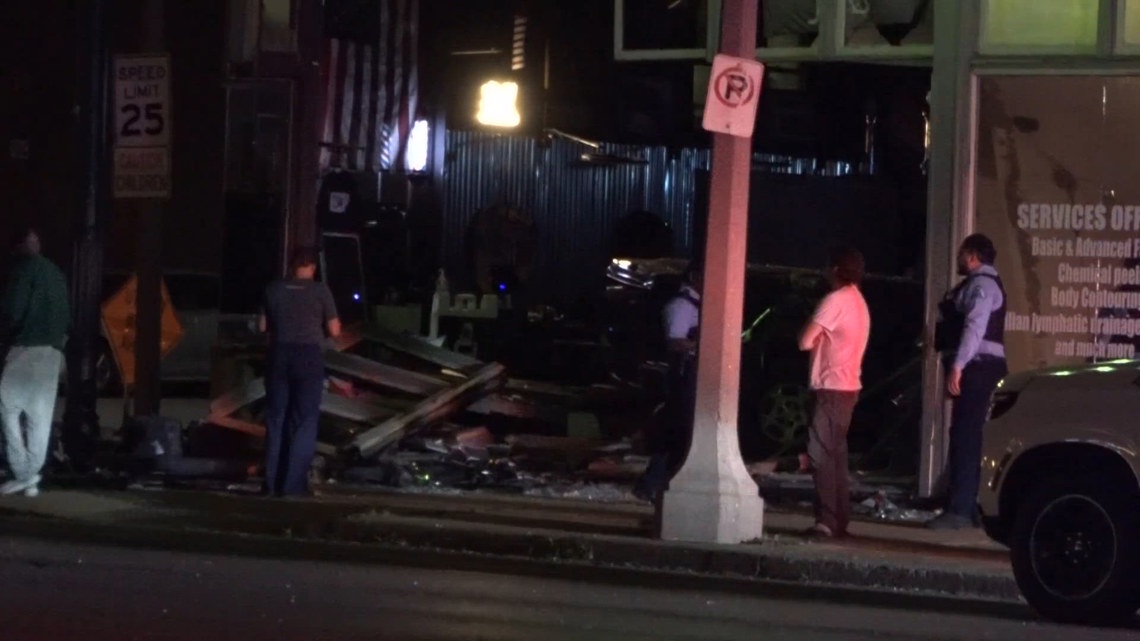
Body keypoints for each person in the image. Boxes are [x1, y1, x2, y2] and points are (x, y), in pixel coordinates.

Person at [927, 233, 1007, 530]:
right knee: (966, 435)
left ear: (973, 255)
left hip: (978, 369)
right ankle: (964, 505)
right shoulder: (976, 284)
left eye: (962, 253)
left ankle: (959, 510)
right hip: (978, 368)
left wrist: (958, 366)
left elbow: (974, 328)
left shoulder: (981, 286)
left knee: (966, 436)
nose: (959, 258)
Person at [798, 246, 871, 538]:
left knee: (820, 455)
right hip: (849, 387)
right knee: (837, 456)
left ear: (836, 270)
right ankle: (840, 519)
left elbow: (804, 341)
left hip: (830, 387)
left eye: (828, 266)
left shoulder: (834, 301)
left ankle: (826, 521)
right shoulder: (859, 302)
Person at [259, 247, 341, 497]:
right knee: (304, 421)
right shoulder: (320, 291)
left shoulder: (272, 289)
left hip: (279, 356)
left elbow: (262, 326)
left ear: (291, 266)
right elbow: (335, 331)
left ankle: (271, 484)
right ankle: (292, 487)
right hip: (308, 358)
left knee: (276, 420)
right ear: (312, 267)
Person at [0, 227, 70, 497]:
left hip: (26, 347)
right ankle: (32, 473)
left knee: (8, 407)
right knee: (39, 416)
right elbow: (67, 315)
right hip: (52, 351)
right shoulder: (55, 273)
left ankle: (22, 471)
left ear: (18, 247)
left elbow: (13, 311)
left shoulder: (23, 271)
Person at [633, 261, 701, 502]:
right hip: (682, 376)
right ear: (693, 276)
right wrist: (701, 345)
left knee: (680, 432)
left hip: (691, 376)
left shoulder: (696, 304)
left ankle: (658, 484)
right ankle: (651, 484)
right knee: (677, 430)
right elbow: (674, 341)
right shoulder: (682, 305)